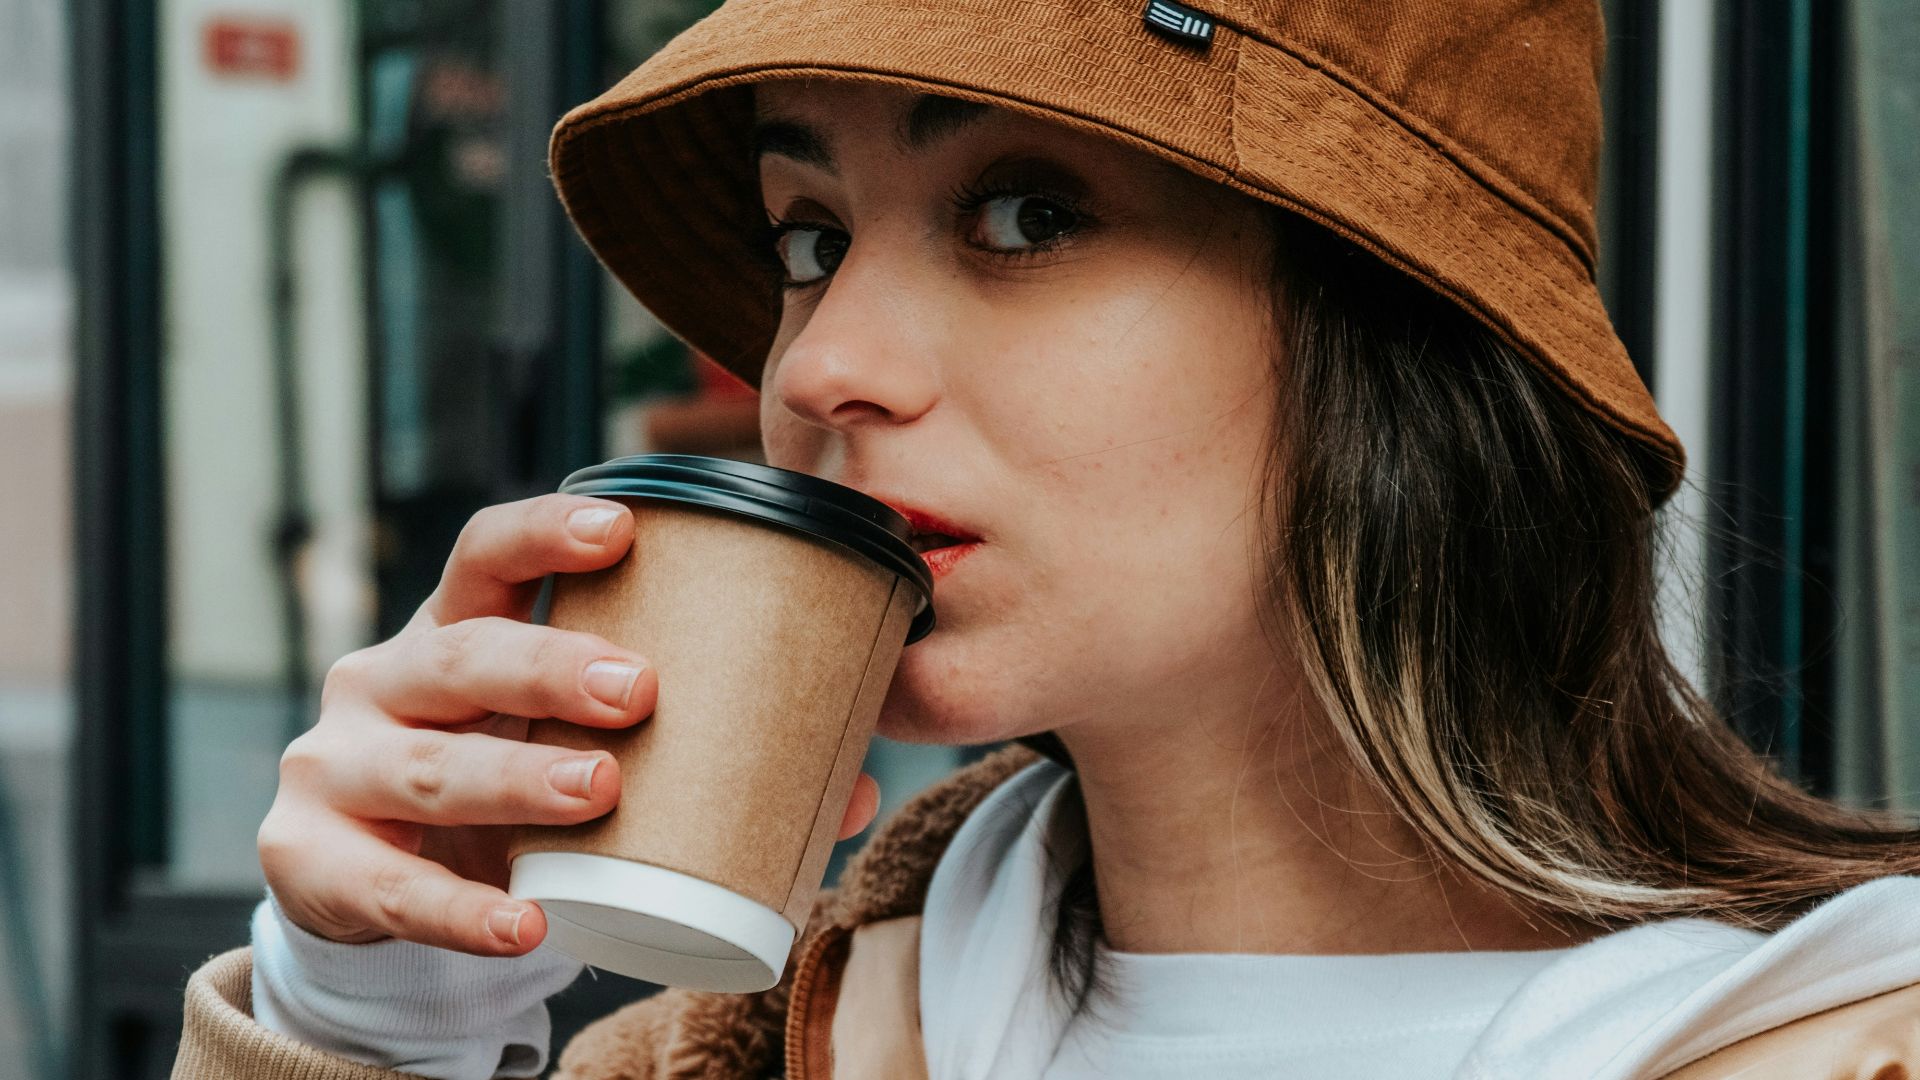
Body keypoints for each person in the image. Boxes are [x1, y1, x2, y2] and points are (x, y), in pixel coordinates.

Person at [173, 2, 1920, 1078]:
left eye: (1025, 212)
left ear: (1398, 332)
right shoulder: (746, 1050)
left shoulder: (1848, 1043)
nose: (824, 366)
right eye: (807, 236)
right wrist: (367, 1018)